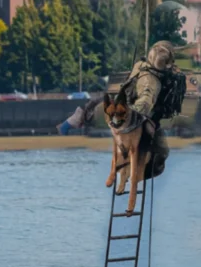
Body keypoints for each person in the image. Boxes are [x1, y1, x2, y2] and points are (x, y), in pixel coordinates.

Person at [56, 40, 176, 175]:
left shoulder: (140, 65)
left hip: (118, 106)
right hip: (129, 116)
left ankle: (74, 121)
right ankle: (137, 170)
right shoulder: (151, 82)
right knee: (162, 152)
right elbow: (143, 105)